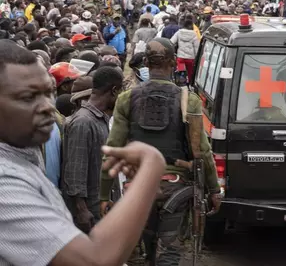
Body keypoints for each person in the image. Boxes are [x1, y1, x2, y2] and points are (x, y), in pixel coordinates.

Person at [0, 40, 167, 266]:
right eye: (28, 97)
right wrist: (150, 168)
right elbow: (95, 260)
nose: (48, 106)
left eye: (48, 92)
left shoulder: (23, 157)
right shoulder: (5, 182)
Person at [100, 38, 221, 266]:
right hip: (175, 187)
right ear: (174, 63)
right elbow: (202, 152)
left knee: (147, 250)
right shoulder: (189, 101)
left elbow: (112, 150)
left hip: (138, 188)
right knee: (170, 253)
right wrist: (214, 189)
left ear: (145, 62)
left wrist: (104, 195)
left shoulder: (127, 98)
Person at [62, 67, 123, 233]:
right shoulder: (83, 122)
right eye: (120, 92)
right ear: (114, 91)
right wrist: (81, 210)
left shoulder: (100, 119)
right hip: (91, 212)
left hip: (102, 207)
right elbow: (75, 172)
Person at [170, 16, 200, 82]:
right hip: (190, 58)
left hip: (180, 57)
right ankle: (189, 85)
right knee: (190, 73)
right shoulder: (194, 34)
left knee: (180, 72)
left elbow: (171, 42)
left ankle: (181, 84)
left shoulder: (179, 32)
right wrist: (197, 58)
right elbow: (197, 47)